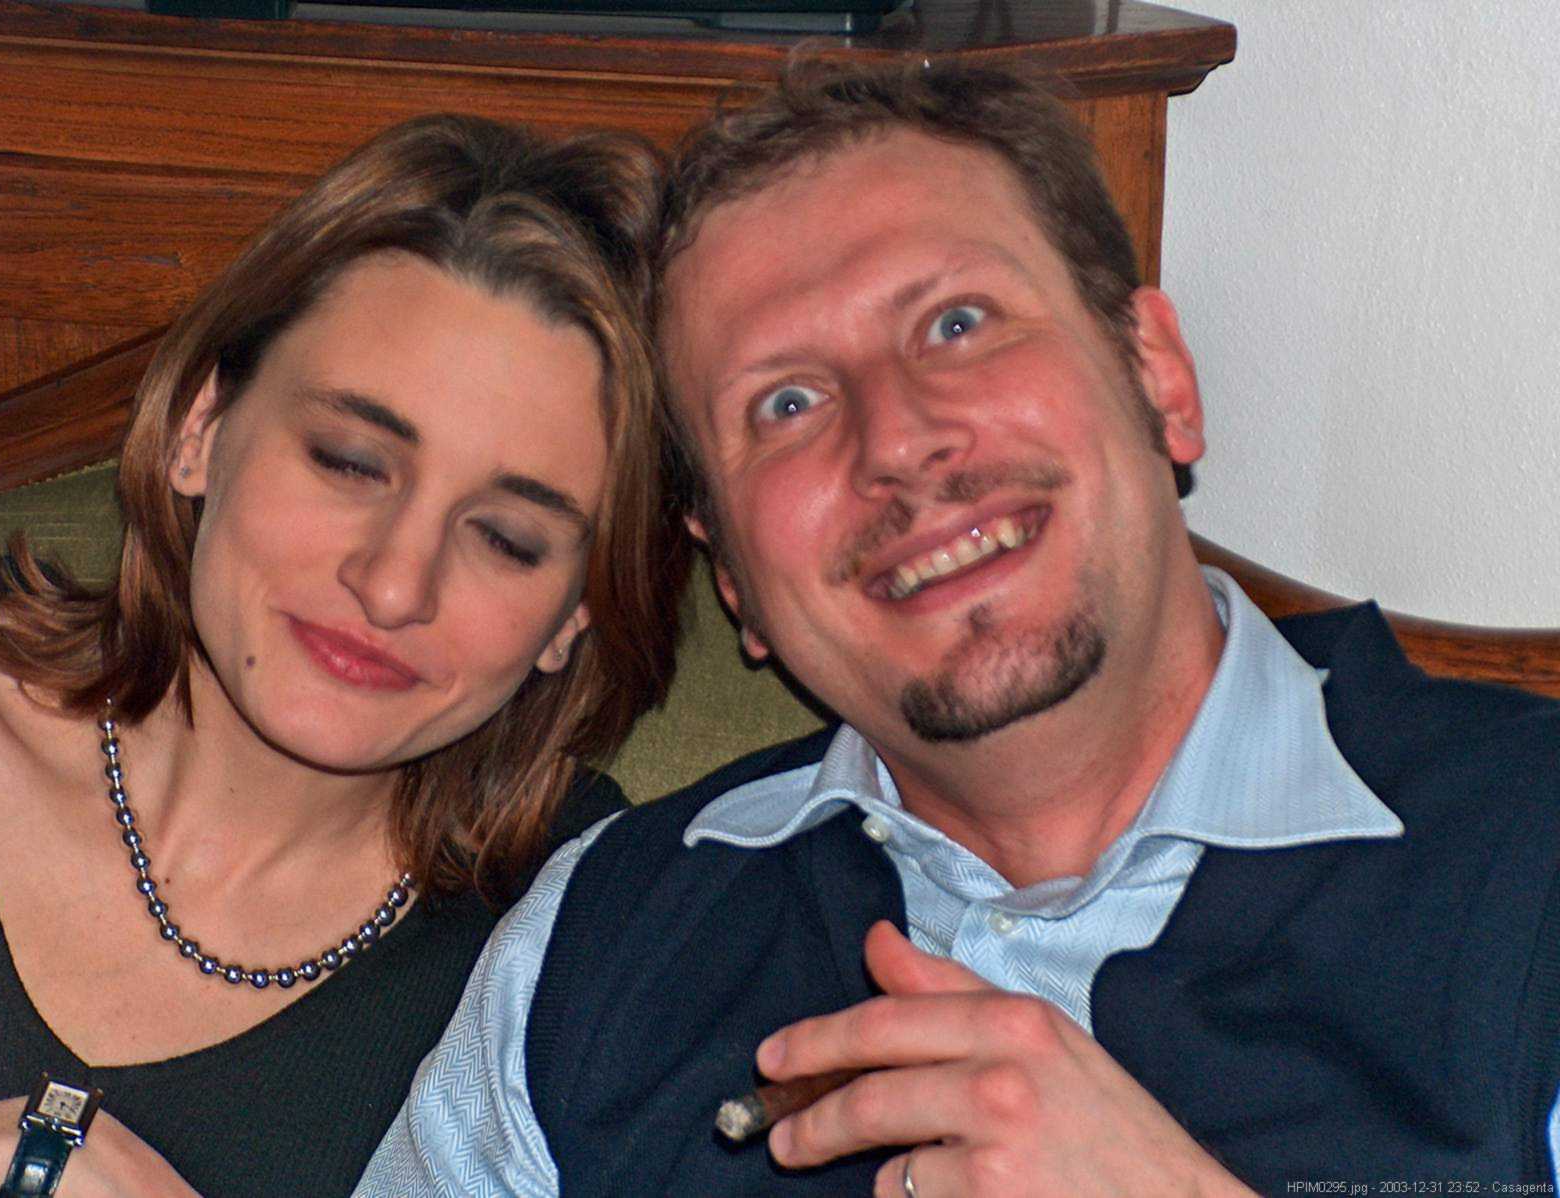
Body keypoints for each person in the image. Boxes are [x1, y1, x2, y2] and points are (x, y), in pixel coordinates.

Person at [358, 60, 1560, 1197]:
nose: (894, 439)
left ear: (1157, 378)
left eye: (956, 323)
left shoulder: (1527, 860)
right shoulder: (599, 942)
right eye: (786, 402)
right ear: (732, 579)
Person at [0, 111, 685, 1197]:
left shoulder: (601, 944)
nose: (394, 585)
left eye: (505, 538)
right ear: (201, 426)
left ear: (574, 614)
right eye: (350, 461)